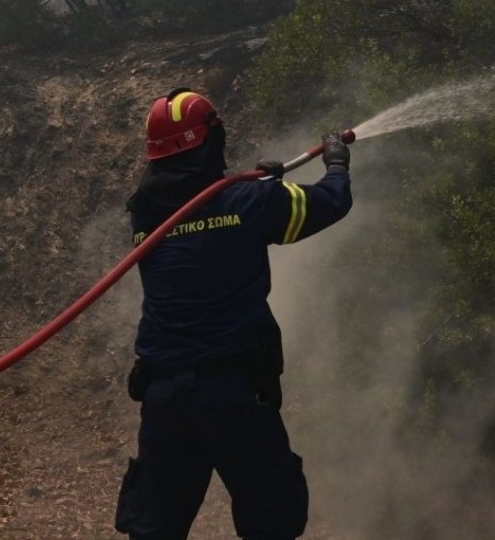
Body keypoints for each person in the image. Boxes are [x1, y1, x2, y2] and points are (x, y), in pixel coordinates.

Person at [115, 87, 353, 540]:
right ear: (210, 142)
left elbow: (203, 213)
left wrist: (260, 182)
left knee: (154, 529)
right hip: (235, 395)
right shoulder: (250, 204)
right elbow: (329, 202)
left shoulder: (144, 217)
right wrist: (337, 166)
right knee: (271, 521)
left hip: (165, 398)